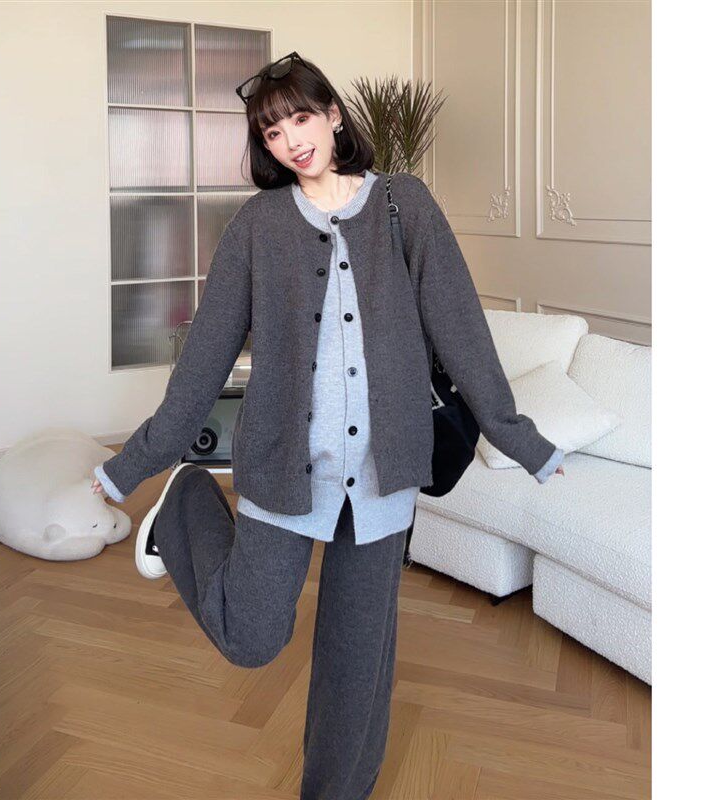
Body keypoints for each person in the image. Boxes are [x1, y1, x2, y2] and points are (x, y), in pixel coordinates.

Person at [91, 51, 564, 800]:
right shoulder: (258, 225)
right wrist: (133, 462)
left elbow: (461, 329)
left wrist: (518, 437)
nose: (291, 141)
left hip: (383, 475)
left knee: (357, 663)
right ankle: (184, 502)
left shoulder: (405, 204)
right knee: (251, 636)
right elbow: (205, 357)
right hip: (285, 465)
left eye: (300, 119)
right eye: (272, 132)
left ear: (334, 114)